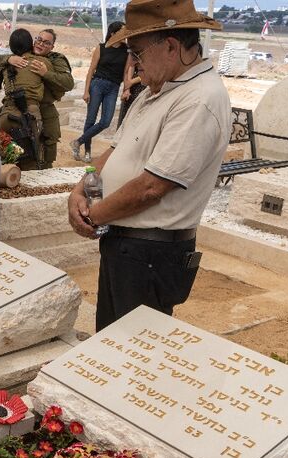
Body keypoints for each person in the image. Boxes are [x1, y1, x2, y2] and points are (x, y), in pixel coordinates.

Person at [67, 0, 230, 331]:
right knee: (110, 341)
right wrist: (80, 188)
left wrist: (92, 216)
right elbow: (115, 151)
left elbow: (152, 187)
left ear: (171, 46)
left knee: (130, 352)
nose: (133, 63)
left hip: (151, 254)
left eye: (137, 52)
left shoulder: (199, 98)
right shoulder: (156, 90)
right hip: (127, 244)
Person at [5, 29, 73, 168]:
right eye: (39, 39)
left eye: (46, 43)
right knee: (20, 148)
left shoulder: (56, 59)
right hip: (23, 108)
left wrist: (46, 73)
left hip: (46, 109)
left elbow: (68, 83)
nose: (41, 44)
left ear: (52, 47)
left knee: (46, 151)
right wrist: (8, 59)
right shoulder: (24, 53)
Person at [0, 28, 51, 170]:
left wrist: (8, 59)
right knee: (31, 160)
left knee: (1, 159)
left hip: (6, 114)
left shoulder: (7, 65)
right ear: (30, 44)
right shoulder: (41, 62)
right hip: (29, 114)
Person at [70, 21, 127, 163]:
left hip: (114, 87)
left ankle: (78, 141)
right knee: (90, 120)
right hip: (97, 84)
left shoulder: (127, 50)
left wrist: (126, 89)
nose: (125, 33)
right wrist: (86, 91)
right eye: (123, 31)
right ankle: (87, 152)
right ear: (113, 33)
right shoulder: (101, 48)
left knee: (106, 121)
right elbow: (91, 70)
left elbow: (126, 73)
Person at [117, 56, 144, 128]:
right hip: (133, 86)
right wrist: (127, 88)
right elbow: (131, 66)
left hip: (145, 84)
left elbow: (151, 71)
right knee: (126, 115)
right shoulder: (135, 49)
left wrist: (131, 82)